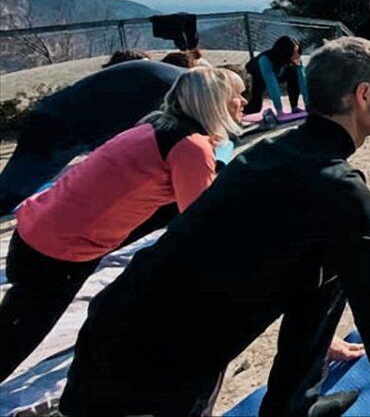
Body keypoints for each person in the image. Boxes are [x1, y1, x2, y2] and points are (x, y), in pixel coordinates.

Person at [60, 37, 370, 417]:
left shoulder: (277, 150)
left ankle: (293, 406)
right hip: (148, 364)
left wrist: (319, 343)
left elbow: (305, 269)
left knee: (335, 261)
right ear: (363, 96)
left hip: (123, 323)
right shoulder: (337, 187)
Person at [0, 68, 246, 381]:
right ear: (214, 103)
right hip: (57, 253)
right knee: (14, 339)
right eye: (235, 95)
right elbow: (200, 222)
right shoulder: (190, 147)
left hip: (35, 230)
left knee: (14, 323)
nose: (242, 100)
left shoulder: (154, 125)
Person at [0, 60, 185, 214]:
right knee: (11, 191)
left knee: (16, 186)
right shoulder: (172, 92)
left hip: (68, 120)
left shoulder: (179, 81)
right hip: (59, 126)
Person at [244, 35, 309, 115]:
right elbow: (272, 85)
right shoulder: (265, 59)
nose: (297, 55)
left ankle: (294, 107)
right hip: (258, 74)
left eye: (298, 51)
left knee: (294, 75)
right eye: (294, 52)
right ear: (285, 52)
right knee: (255, 107)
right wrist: (279, 110)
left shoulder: (295, 58)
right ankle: (241, 111)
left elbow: (303, 81)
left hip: (279, 72)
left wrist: (308, 105)